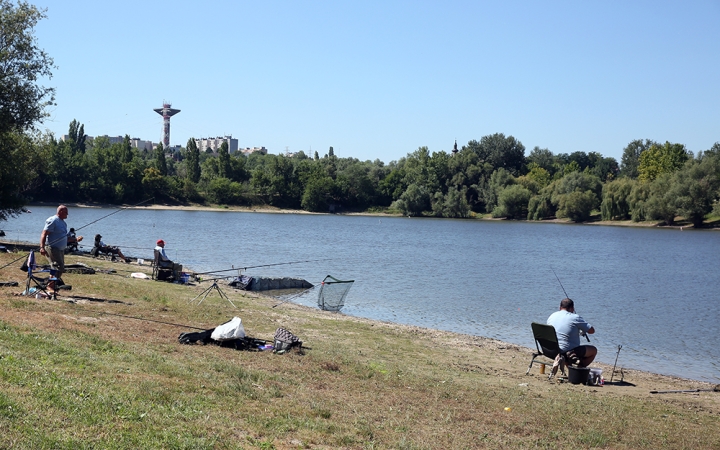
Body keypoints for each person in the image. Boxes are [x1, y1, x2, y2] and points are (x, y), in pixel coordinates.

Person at [547, 298, 597, 367]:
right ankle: (579, 370)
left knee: (568, 344)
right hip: (566, 352)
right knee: (593, 350)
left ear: (560, 307)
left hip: (550, 350)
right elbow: (592, 331)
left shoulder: (552, 316)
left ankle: (572, 370)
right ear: (572, 308)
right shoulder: (575, 317)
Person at [39, 205, 69, 286]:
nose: (67, 214)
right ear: (60, 212)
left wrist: (75, 239)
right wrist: (42, 247)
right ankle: (50, 285)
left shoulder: (63, 222)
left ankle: (51, 284)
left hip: (60, 250)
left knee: (59, 268)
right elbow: (44, 233)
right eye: (66, 212)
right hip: (52, 248)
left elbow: (62, 237)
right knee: (58, 267)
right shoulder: (53, 220)